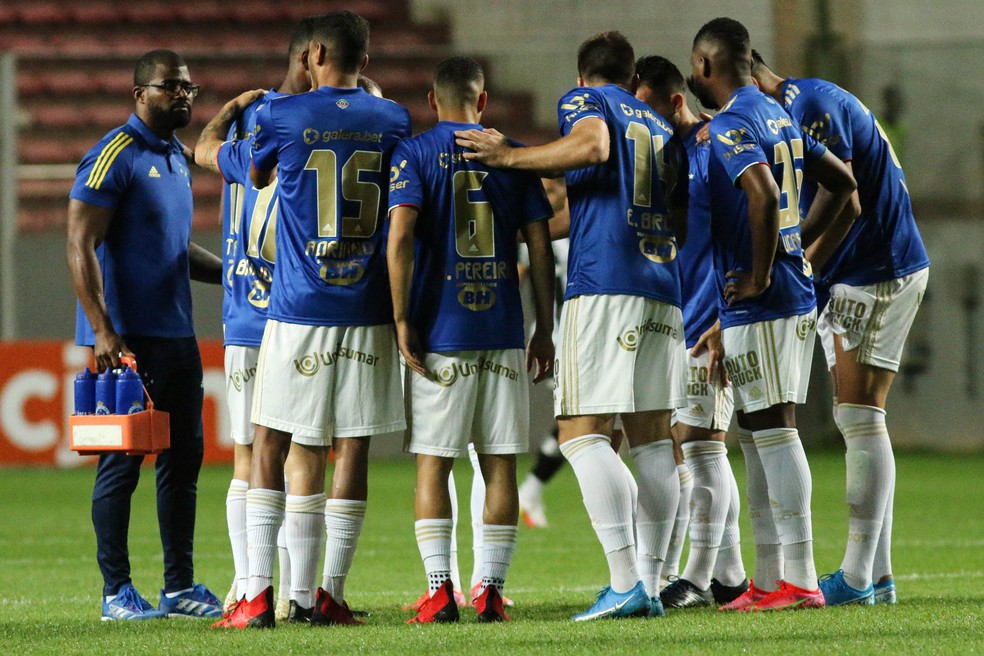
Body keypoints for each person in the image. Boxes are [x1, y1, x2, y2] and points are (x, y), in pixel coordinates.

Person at [457, 31, 689, 621]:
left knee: (581, 435)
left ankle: (625, 580)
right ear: (633, 74)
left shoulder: (587, 103)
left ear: (583, 77)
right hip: (662, 285)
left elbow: (590, 149)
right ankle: (652, 583)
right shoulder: (661, 124)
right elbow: (647, 203)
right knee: (653, 439)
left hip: (605, 286)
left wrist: (507, 157)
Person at [216, 10, 411, 629]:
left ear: (315, 52)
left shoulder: (281, 115)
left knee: (270, 440)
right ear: (367, 61)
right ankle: (317, 594)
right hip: (369, 309)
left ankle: (258, 597)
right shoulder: (395, 119)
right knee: (349, 444)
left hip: (299, 308)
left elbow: (253, 173)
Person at [687, 17, 858, 611]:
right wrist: (798, 253)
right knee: (758, 431)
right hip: (788, 292)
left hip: (765, 296)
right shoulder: (779, 114)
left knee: (773, 426)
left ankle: (802, 579)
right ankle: (768, 580)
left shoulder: (734, 122)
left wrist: (761, 270)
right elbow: (843, 185)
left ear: (706, 65)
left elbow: (760, 193)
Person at [751, 50, 929, 606]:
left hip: (877, 267)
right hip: (864, 270)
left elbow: (846, 197)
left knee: (858, 414)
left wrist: (800, 267)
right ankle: (877, 575)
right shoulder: (800, 106)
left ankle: (855, 578)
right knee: (861, 415)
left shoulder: (808, 105)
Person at [388, 56, 555, 624]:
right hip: (503, 330)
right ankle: (489, 589)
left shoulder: (413, 153)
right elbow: (538, 246)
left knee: (435, 463)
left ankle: (440, 591)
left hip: (441, 331)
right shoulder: (514, 155)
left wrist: (402, 318)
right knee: (500, 462)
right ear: (482, 102)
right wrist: (545, 330)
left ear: (433, 102)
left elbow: (401, 238)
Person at [66, 49, 224, 620]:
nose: (182, 95)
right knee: (122, 465)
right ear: (139, 94)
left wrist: (233, 271)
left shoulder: (176, 158)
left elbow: (176, 250)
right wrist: (103, 330)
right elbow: (79, 242)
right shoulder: (114, 155)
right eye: (169, 87)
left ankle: (178, 588)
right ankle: (116, 593)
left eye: (188, 87)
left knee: (183, 463)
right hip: (126, 342)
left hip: (176, 336)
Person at [193, 18, 315, 622]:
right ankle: (288, 593)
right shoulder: (319, 122)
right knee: (296, 454)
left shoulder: (251, 119)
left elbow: (202, 148)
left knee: (251, 453)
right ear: (311, 59)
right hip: (299, 313)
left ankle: (251, 590)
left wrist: (232, 105)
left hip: (247, 311)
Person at [634, 54, 750, 608]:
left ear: (676, 101)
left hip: (710, 319)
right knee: (690, 447)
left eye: (650, 108)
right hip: (677, 319)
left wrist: (732, 315)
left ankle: (700, 579)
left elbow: (753, 223)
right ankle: (728, 575)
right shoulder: (668, 155)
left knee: (704, 447)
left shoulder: (715, 145)